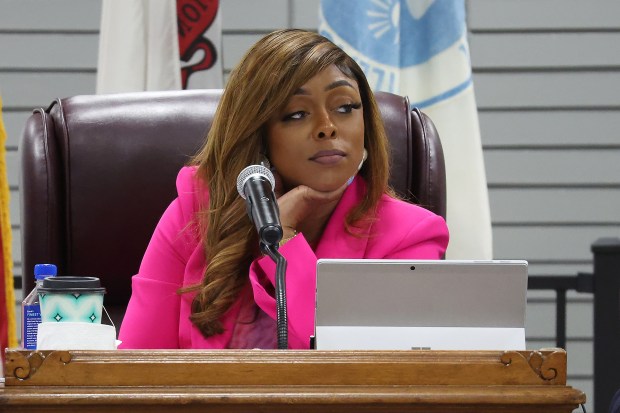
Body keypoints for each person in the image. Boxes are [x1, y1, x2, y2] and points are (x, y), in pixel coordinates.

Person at [118, 29, 449, 349]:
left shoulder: (408, 237)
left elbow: (354, 375)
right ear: (258, 136)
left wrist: (282, 241)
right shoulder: (196, 214)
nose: (327, 127)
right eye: (297, 114)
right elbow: (132, 371)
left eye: (345, 107)